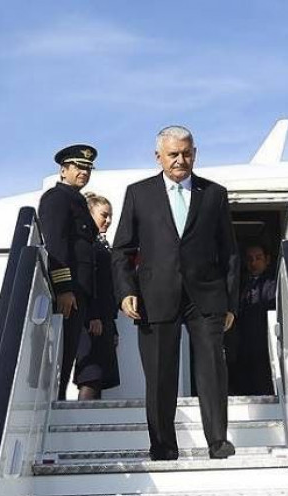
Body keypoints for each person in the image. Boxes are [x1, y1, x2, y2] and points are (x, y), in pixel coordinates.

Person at [112, 125, 240, 460]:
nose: (180, 160)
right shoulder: (139, 193)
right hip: (155, 296)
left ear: (195, 154)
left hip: (206, 296)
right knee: (160, 374)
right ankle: (163, 445)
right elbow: (122, 249)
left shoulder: (214, 194)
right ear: (159, 157)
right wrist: (125, 291)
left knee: (212, 370)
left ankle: (218, 441)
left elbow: (229, 251)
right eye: (173, 154)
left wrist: (231, 302)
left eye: (186, 153)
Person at [38, 144, 98, 401]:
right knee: (60, 357)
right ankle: (54, 403)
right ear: (63, 170)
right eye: (78, 167)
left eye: (88, 168)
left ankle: (59, 400)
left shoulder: (77, 201)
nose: (84, 172)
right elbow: (56, 246)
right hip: (68, 293)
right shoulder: (57, 198)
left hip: (80, 292)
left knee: (69, 353)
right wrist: (63, 288)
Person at [74, 192, 121, 400]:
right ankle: (81, 417)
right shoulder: (87, 244)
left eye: (110, 216)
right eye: (104, 215)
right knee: (90, 375)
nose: (108, 220)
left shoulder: (101, 244)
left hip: (104, 319)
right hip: (92, 320)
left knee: (99, 376)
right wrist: (93, 315)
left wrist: (112, 325)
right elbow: (87, 281)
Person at [232, 244, 276, 396]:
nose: (254, 263)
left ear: (267, 260)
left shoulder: (273, 284)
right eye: (250, 259)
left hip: (264, 346)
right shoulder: (240, 284)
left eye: (258, 258)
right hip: (243, 347)